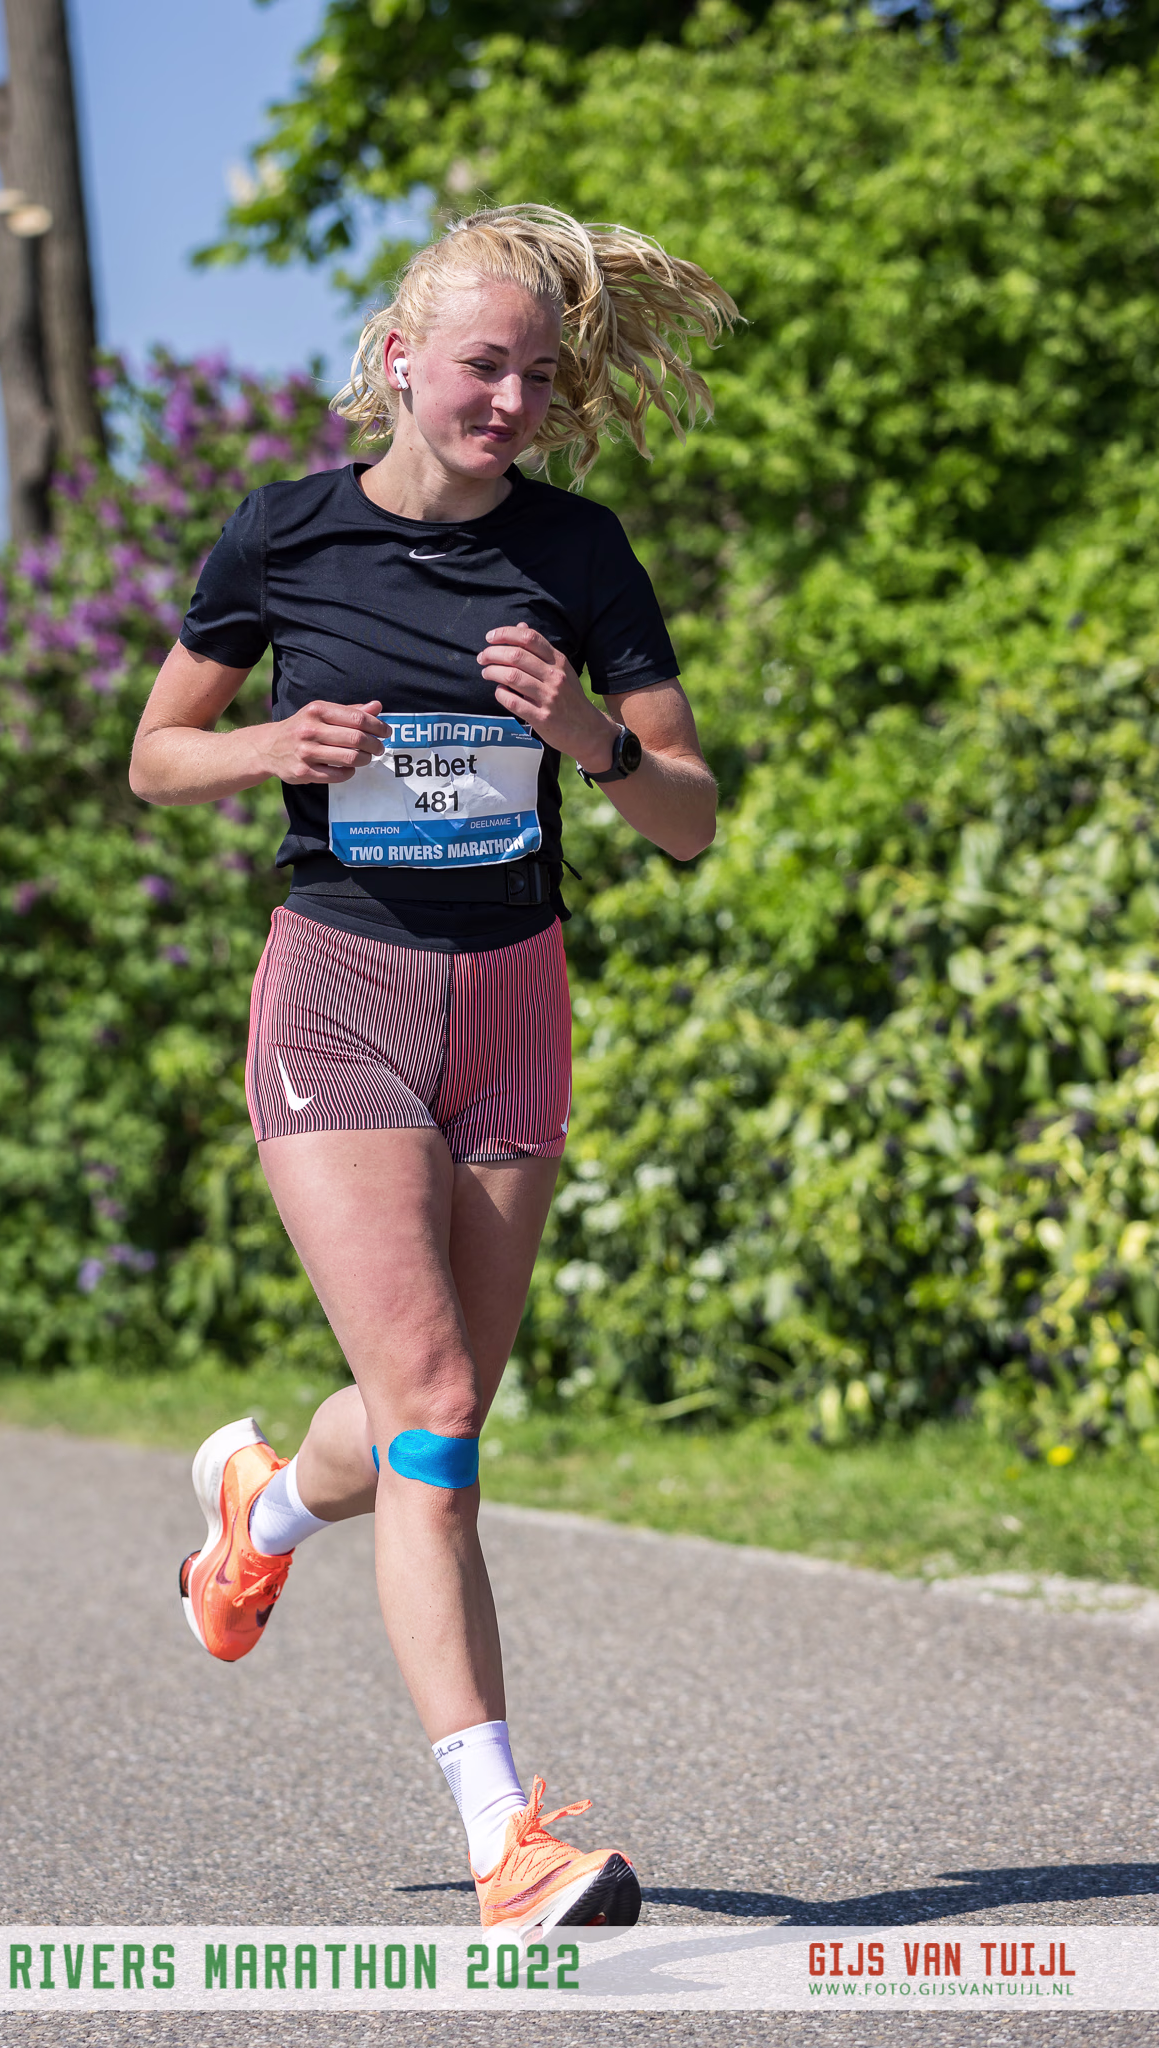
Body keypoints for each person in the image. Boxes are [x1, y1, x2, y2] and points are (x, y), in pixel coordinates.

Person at [129, 204, 734, 1935]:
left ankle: (257, 1512)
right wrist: (271, 743)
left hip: (513, 1003)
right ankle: (505, 1838)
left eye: (536, 378)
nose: (509, 403)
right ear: (400, 359)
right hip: (341, 991)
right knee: (440, 1413)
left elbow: (686, 818)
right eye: (481, 366)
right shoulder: (284, 533)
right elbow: (155, 755)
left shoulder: (578, 551)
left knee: (422, 1408)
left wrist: (587, 736)